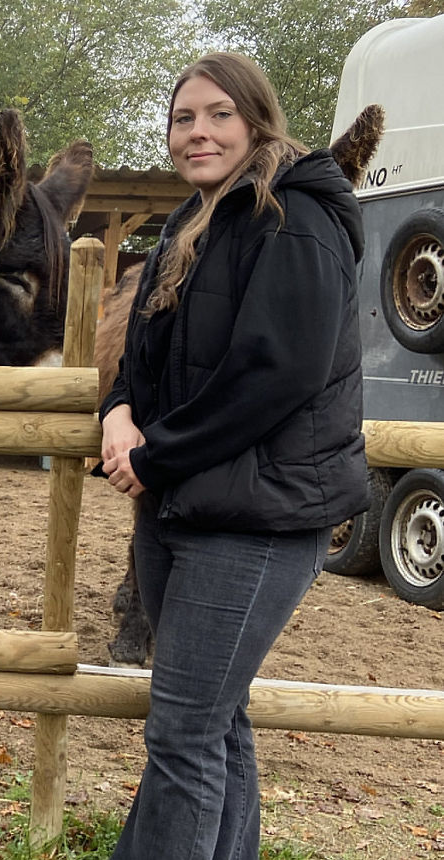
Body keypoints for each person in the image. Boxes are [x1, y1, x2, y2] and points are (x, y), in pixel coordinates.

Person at [98, 53, 368, 858]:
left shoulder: (297, 221)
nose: (199, 132)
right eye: (184, 119)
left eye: (219, 114)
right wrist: (118, 410)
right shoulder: (193, 222)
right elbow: (145, 354)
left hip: (255, 519)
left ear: (257, 120)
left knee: (182, 736)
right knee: (218, 724)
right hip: (182, 506)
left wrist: (156, 456)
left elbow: (275, 372)